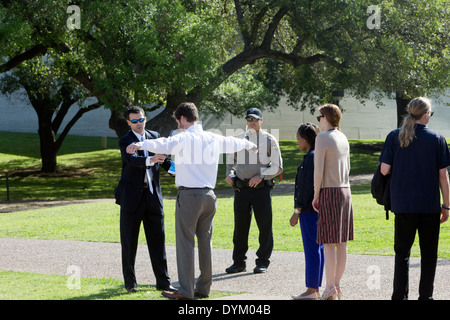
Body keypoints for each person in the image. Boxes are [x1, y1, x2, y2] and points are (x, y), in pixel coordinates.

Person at [126, 102, 258, 300]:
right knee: (205, 243)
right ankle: (204, 288)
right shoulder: (213, 137)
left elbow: (162, 143)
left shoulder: (182, 138)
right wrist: (249, 144)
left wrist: (140, 144)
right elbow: (233, 142)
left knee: (185, 243)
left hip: (189, 196)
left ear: (181, 118)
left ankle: (186, 291)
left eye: (177, 121)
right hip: (209, 196)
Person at [379, 97, 450, 300]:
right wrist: (446, 205)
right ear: (426, 114)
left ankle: (399, 296)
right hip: (429, 205)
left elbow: (384, 170)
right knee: (429, 255)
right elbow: (443, 176)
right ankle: (425, 296)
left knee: (402, 254)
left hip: (403, 205)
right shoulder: (437, 138)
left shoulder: (394, 136)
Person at [115, 106, 175, 293]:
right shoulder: (125, 140)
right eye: (134, 121)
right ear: (128, 122)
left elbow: (164, 160)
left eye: (141, 120)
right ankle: (130, 283)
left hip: (153, 197)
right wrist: (152, 159)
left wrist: (179, 172)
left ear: (145, 119)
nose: (139, 124)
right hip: (131, 198)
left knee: (158, 240)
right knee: (129, 241)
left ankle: (163, 282)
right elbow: (133, 160)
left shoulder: (154, 136)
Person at [225, 108, 283, 274]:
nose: (252, 122)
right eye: (249, 119)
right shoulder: (238, 139)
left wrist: (262, 176)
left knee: (264, 227)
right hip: (241, 190)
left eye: (255, 119)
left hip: (260, 190)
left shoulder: (269, 140)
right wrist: (230, 173)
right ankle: (238, 262)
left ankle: (262, 261)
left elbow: (278, 166)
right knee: (240, 228)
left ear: (261, 121)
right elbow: (231, 161)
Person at [312, 104, 353, 300]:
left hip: (330, 191)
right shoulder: (343, 137)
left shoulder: (322, 138)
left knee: (328, 243)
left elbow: (318, 170)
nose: (318, 120)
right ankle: (336, 285)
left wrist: (315, 194)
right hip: (345, 191)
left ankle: (329, 287)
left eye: (319, 117)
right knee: (341, 243)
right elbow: (348, 167)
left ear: (326, 118)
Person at [290, 123, 324, 300]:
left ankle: (311, 290)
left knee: (312, 250)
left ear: (304, 139)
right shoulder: (318, 155)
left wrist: (296, 211)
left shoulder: (309, 159)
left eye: (297, 139)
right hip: (320, 209)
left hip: (309, 211)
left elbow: (304, 189)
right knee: (319, 249)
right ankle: (316, 288)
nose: (297, 142)